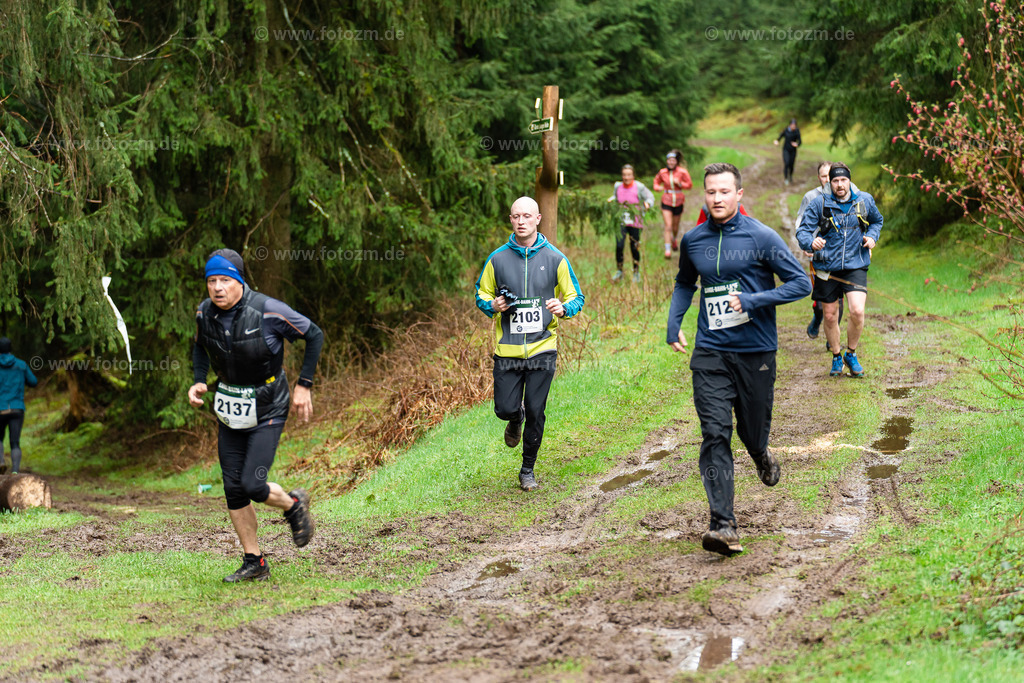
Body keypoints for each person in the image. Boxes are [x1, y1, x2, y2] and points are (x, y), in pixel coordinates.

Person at [666, 163, 811, 556]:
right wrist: (674, 321)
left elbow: (800, 283)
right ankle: (723, 523)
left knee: (751, 432)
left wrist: (753, 300)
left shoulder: (761, 237)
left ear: (739, 194)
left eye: (724, 192)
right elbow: (684, 282)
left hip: (756, 353)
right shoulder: (694, 240)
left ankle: (761, 453)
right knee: (715, 432)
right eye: (710, 192)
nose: (716, 199)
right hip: (710, 351)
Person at [188, 249, 324, 582]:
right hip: (230, 406)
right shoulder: (205, 313)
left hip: (268, 407)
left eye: (225, 280)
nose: (217, 288)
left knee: (252, 482)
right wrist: (198, 380)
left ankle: (292, 504)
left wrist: (304, 385)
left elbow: (314, 334)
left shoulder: (267, 310)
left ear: (239, 281)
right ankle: (255, 561)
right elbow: (198, 346)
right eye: (211, 281)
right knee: (233, 488)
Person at [475, 197, 585, 491]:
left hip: (543, 348)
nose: (521, 221)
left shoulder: (556, 259)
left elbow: (576, 298)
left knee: (537, 409)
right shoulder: (497, 259)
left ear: (538, 219)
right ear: (510, 220)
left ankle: (527, 470)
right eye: (515, 216)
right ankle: (515, 417)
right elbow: (481, 295)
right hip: (507, 351)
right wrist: (494, 305)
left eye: (527, 216)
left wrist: (563, 309)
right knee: (504, 408)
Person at [796, 162, 884, 378]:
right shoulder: (819, 204)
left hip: (856, 264)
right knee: (829, 314)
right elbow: (803, 232)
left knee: (857, 311)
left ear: (849, 180)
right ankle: (837, 355)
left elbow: (877, 221)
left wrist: (872, 237)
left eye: (843, 180)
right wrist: (811, 242)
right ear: (829, 182)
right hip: (827, 266)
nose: (839, 184)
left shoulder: (864, 200)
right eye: (835, 180)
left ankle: (851, 353)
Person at [796, 162, 855, 340]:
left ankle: (833, 340)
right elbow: (801, 224)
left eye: (832, 177)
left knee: (840, 298)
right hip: (819, 255)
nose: (829, 180)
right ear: (819, 178)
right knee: (823, 301)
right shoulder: (811, 197)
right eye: (824, 176)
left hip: (842, 257)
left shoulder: (849, 194)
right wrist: (809, 244)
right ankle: (817, 316)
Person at [607, 164, 655, 283]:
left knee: (634, 247)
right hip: (621, 221)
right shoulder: (618, 186)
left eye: (629, 175)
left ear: (633, 175)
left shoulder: (639, 187)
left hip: (636, 222)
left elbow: (650, 197)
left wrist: (647, 203)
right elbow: (615, 196)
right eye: (624, 175)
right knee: (619, 246)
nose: (626, 177)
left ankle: (636, 272)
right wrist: (611, 200)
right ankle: (619, 271)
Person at [0, 338, 38, 475]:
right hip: (17, 408)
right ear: (11, 348)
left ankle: (1, 461)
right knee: (15, 442)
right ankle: (15, 471)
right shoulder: (21, 365)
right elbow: (33, 382)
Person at [653, 150, 693, 258]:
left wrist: (679, 183)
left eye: (673, 160)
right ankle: (667, 250)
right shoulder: (662, 172)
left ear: (676, 162)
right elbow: (656, 183)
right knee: (668, 226)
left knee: (675, 227)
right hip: (666, 200)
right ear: (667, 161)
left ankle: (674, 239)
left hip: (678, 200)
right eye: (669, 160)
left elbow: (689, 185)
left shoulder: (682, 172)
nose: (671, 163)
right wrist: (658, 188)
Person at [773, 119, 801, 185]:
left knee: (791, 164)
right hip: (786, 150)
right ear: (790, 125)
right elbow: (781, 136)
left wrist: (797, 144)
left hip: (793, 150)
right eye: (792, 125)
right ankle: (786, 178)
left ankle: (790, 176)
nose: (794, 126)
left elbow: (800, 141)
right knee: (786, 163)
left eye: (795, 125)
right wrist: (777, 141)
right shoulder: (786, 130)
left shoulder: (797, 131)